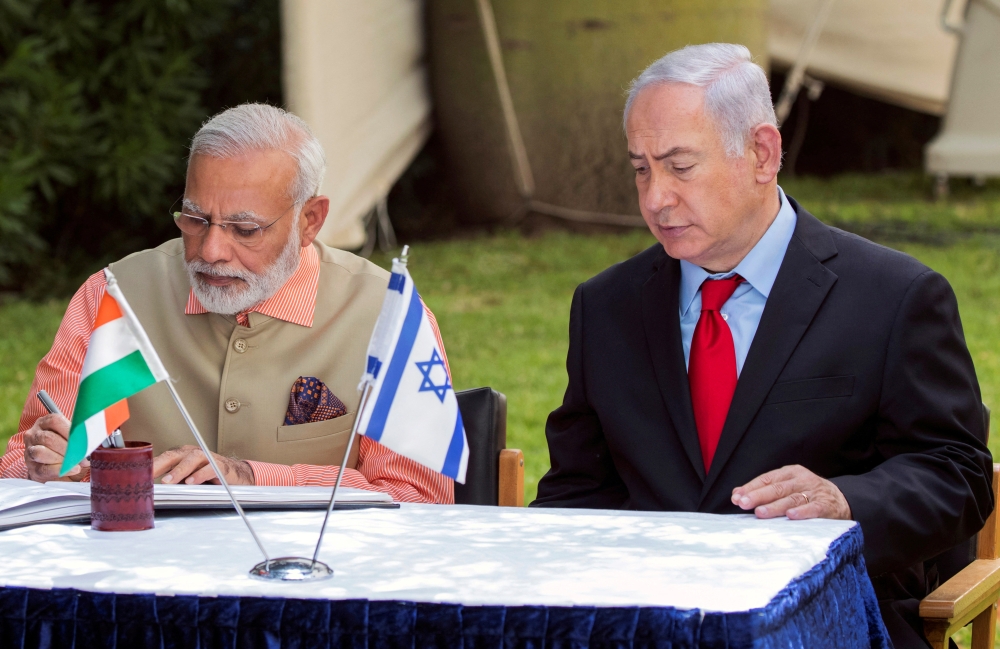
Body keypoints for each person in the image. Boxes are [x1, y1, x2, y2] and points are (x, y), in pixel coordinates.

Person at [530, 43, 993, 647]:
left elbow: (955, 475)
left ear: (762, 154)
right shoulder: (606, 306)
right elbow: (578, 491)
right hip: (644, 626)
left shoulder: (894, 296)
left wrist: (842, 501)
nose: (654, 199)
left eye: (679, 166)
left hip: (832, 624)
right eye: (641, 168)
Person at [0, 103, 452, 504]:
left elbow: (421, 499)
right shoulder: (115, 297)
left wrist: (252, 478)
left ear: (309, 221)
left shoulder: (386, 317)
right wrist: (49, 466)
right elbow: (21, 464)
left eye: (245, 229)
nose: (212, 249)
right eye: (196, 219)